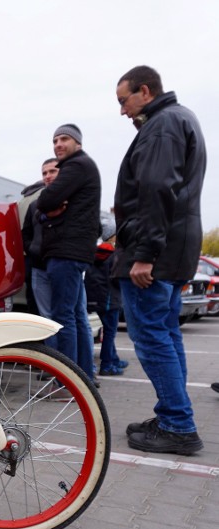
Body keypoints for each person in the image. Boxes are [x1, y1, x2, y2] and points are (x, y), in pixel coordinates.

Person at [114, 65, 206, 455]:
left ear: (145, 91)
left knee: (152, 339)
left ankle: (178, 426)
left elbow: (155, 190)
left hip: (156, 253)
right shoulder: (182, 118)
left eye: (124, 100)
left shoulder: (163, 125)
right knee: (166, 336)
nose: (122, 111)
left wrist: (144, 255)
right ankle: (172, 415)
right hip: (177, 248)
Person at [35, 124, 101, 383]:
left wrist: (46, 208)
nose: (58, 144)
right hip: (74, 252)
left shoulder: (76, 166)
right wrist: (46, 210)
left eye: (64, 139)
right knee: (74, 316)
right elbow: (46, 206)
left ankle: (68, 381)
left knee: (63, 317)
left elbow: (46, 199)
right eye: (55, 140)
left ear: (78, 143)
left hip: (66, 251)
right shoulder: (82, 167)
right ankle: (82, 376)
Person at [21, 158, 59, 321]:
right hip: (37, 266)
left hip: (62, 264)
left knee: (64, 316)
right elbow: (26, 232)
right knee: (41, 316)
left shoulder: (73, 200)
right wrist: (33, 249)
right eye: (45, 173)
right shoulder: (34, 205)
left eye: (52, 171)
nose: (48, 176)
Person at [85, 231, 127, 376]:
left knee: (107, 330)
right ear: (112, 237)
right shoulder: (114, 255)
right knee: (110, 333)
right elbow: (117, 278)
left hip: (96, 297)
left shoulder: (94, 254)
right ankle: (107, 364)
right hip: (111, 298)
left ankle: (114, 359)